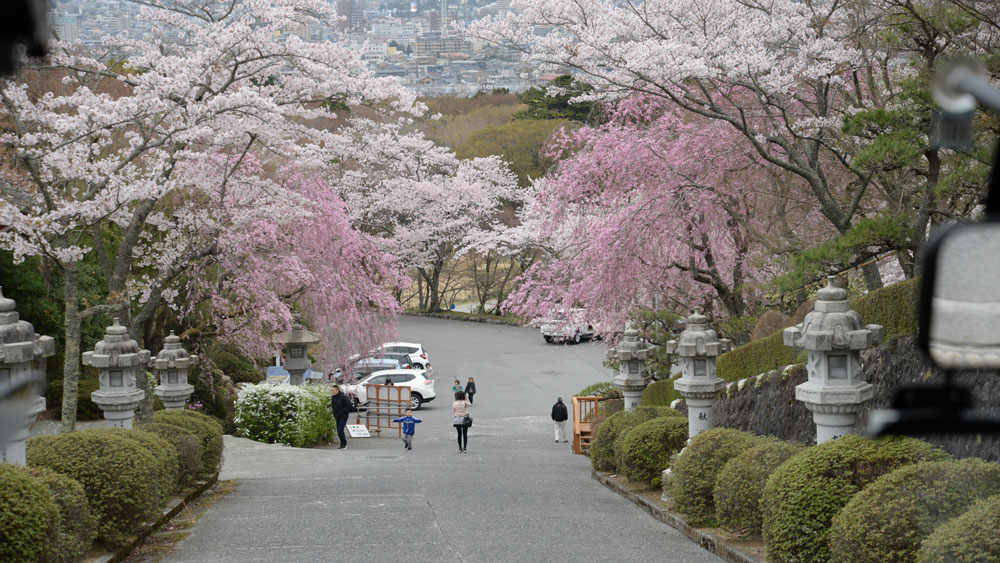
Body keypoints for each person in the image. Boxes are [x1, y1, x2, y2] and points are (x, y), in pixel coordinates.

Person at [330, 385, 355, 450]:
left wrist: (343, 411)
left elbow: (349, 405)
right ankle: (342, 444)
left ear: (337, 390)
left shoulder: (343, 397)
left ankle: (344, 444)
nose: (332, 392)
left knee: (340, 430)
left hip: (343, 416)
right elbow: (333, 406)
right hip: (337, 416)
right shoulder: (333, 397)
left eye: (333, 390)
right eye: (332, 390)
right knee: (339, 431)